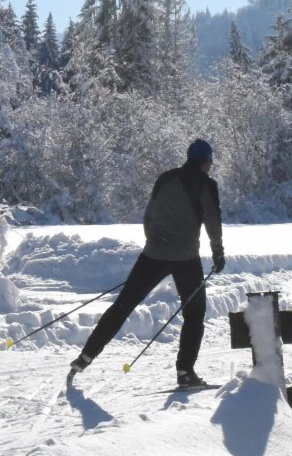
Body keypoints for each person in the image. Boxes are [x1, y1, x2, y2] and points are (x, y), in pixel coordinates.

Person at [68, 138, 225, 388]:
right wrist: (218, 253)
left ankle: (85, 357)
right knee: (194, 314)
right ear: (206, 162)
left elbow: (149, 215)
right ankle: (185, 372)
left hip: (152, 255)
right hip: (186, 258)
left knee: (123, 305)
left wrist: (154, 243)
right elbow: (212, 221)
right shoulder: (207, 184)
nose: (210, 166)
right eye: (210, 162)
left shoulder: (165, 178)